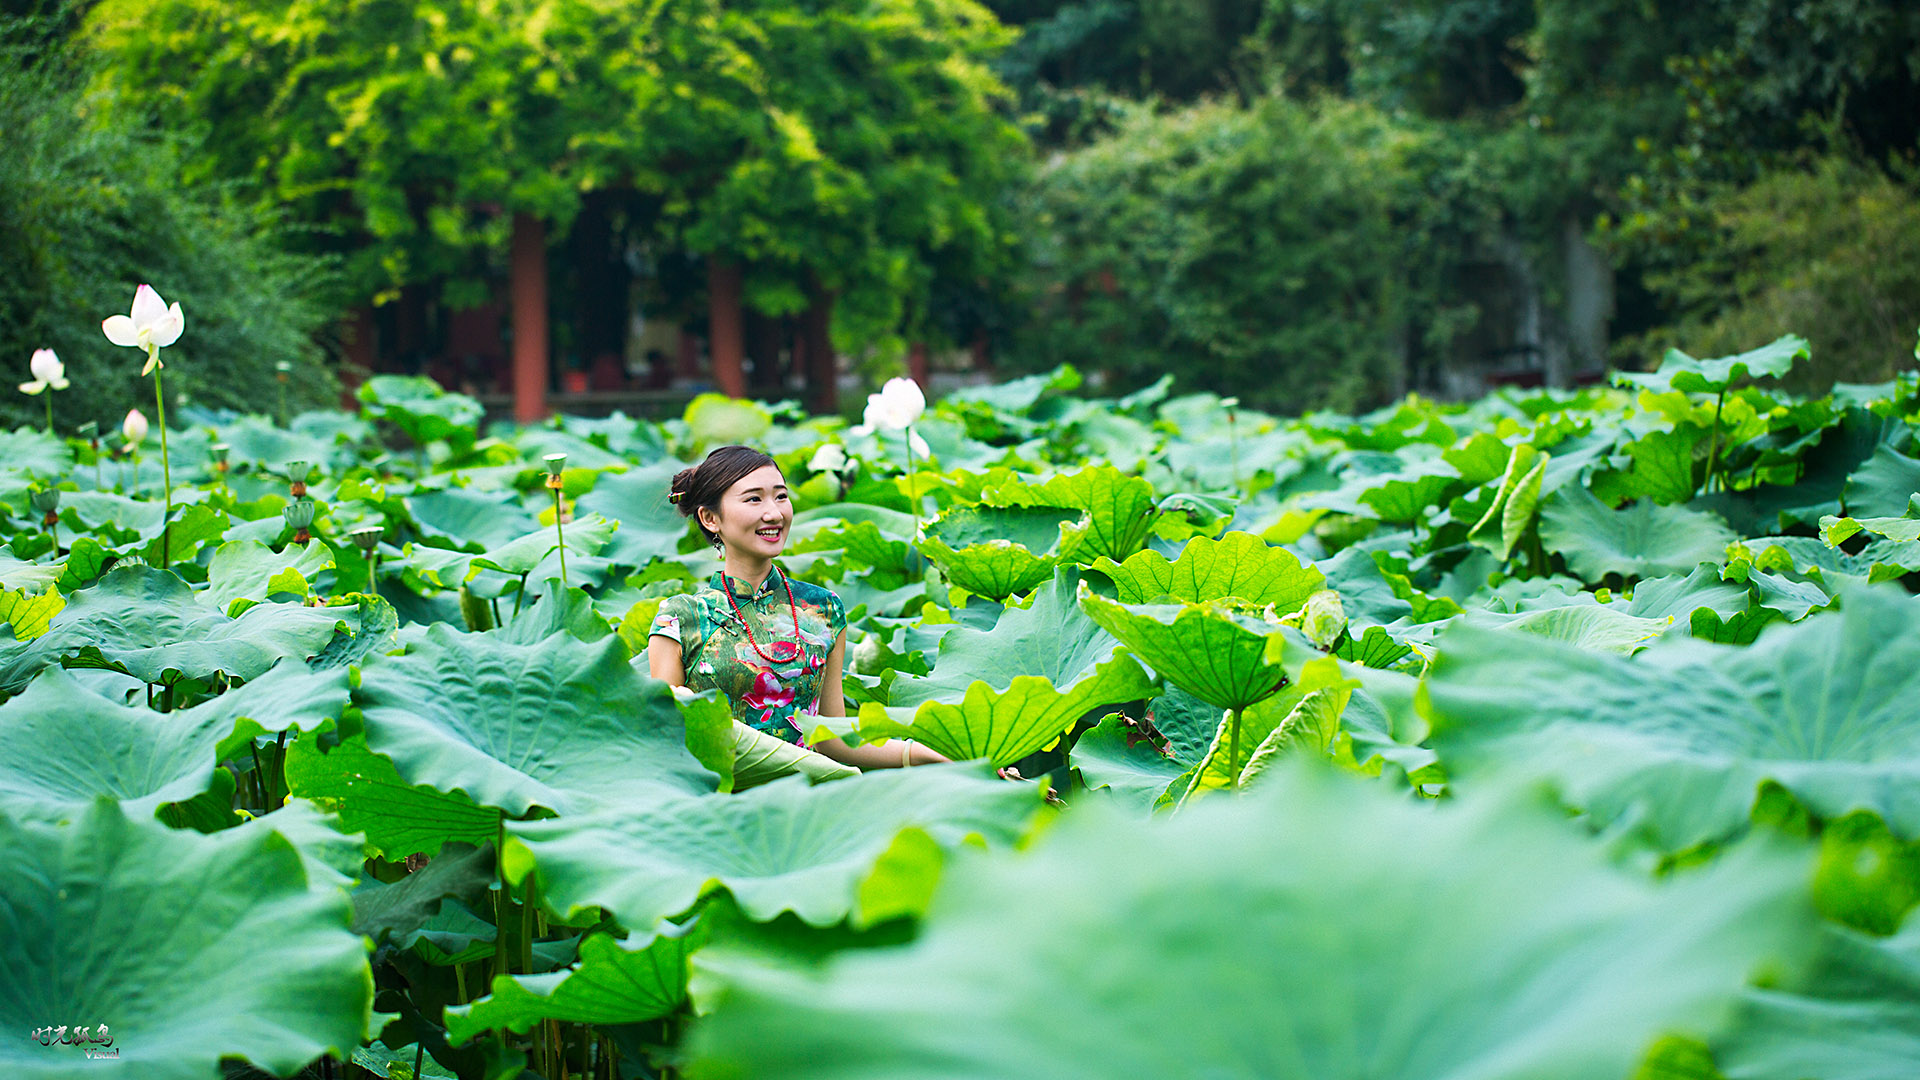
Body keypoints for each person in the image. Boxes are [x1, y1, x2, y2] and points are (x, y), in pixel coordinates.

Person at [645, 444, 948, 770]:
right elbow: (666, 741)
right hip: (721, 804)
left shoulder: (823, 609)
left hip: (808, 801)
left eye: (781, 496)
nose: (774, 513)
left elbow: (833, 740)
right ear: (710, 518)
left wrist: (924, 753)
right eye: (753, 499)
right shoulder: (680, 618)